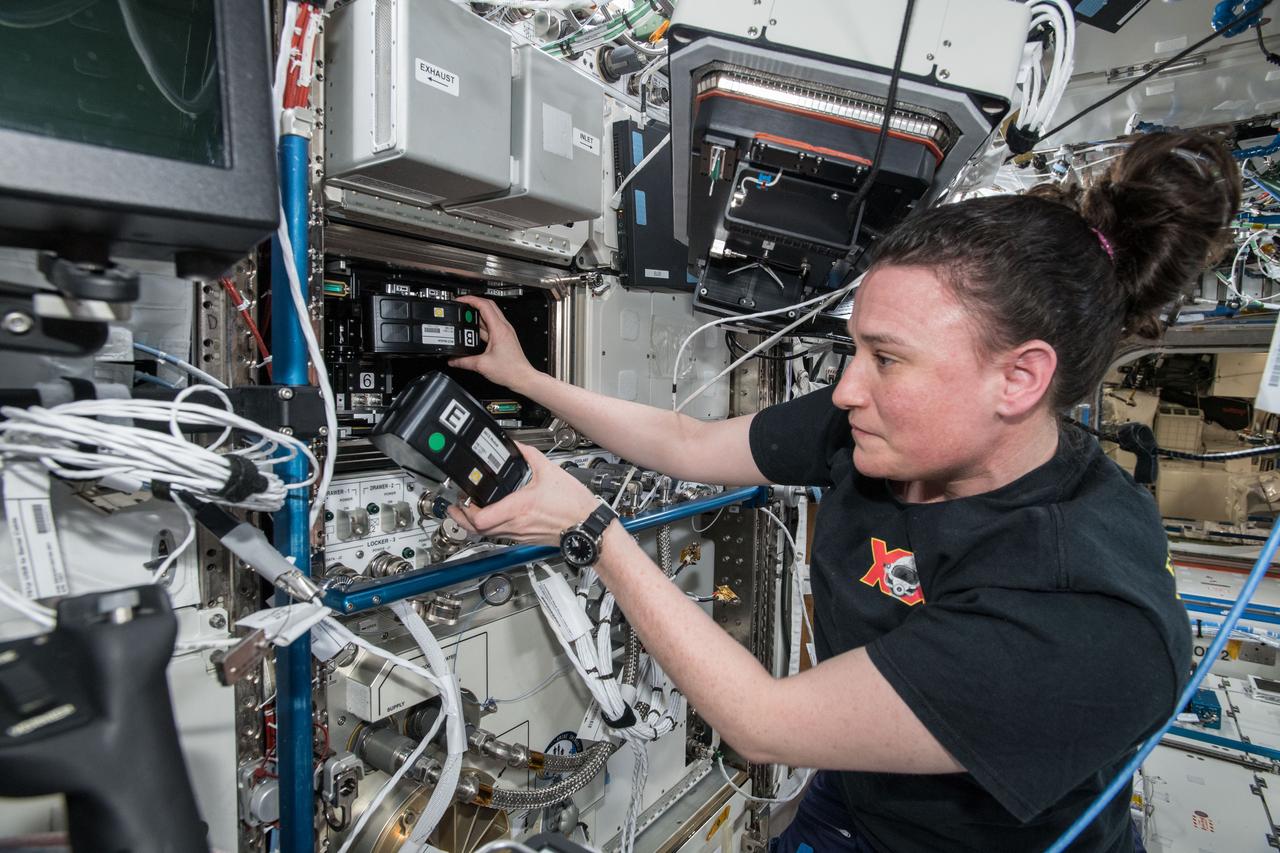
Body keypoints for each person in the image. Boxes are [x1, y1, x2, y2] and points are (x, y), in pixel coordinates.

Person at [445, 131, 1241, 852]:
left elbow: (762, 723)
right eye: (853, 347)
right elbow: (685, 441)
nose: (848, 388)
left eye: (886, 358)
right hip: (853, 802)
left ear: (1020, 378)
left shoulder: (1086, 612)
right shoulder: (872, 429)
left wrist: (589, 529)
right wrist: (526, 379)